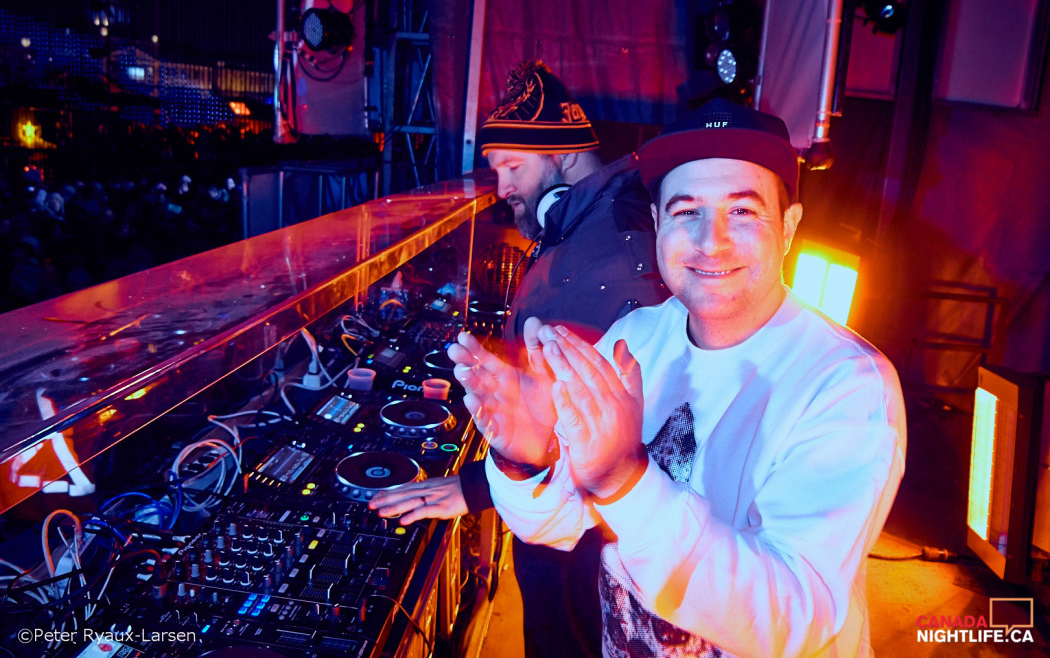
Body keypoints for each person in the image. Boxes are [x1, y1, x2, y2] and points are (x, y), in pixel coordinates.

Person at [450, 98, 907, 657]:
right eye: (686, 211)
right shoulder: (636, 337)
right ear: (657, 224)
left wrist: (627, 479)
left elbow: (792, 618)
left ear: (788, 229)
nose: (711, 241)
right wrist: (527, 460)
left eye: (743, 212)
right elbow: (560, 524)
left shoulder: (846, 386)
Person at [370, 61, 668, 657]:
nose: (501, 186)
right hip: (559, 521)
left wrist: (477, 485)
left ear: (564, 156)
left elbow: (587, 418)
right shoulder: (584, 224)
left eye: (513, 166)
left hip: (583, 550)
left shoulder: (612, 245)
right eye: (496, 167)